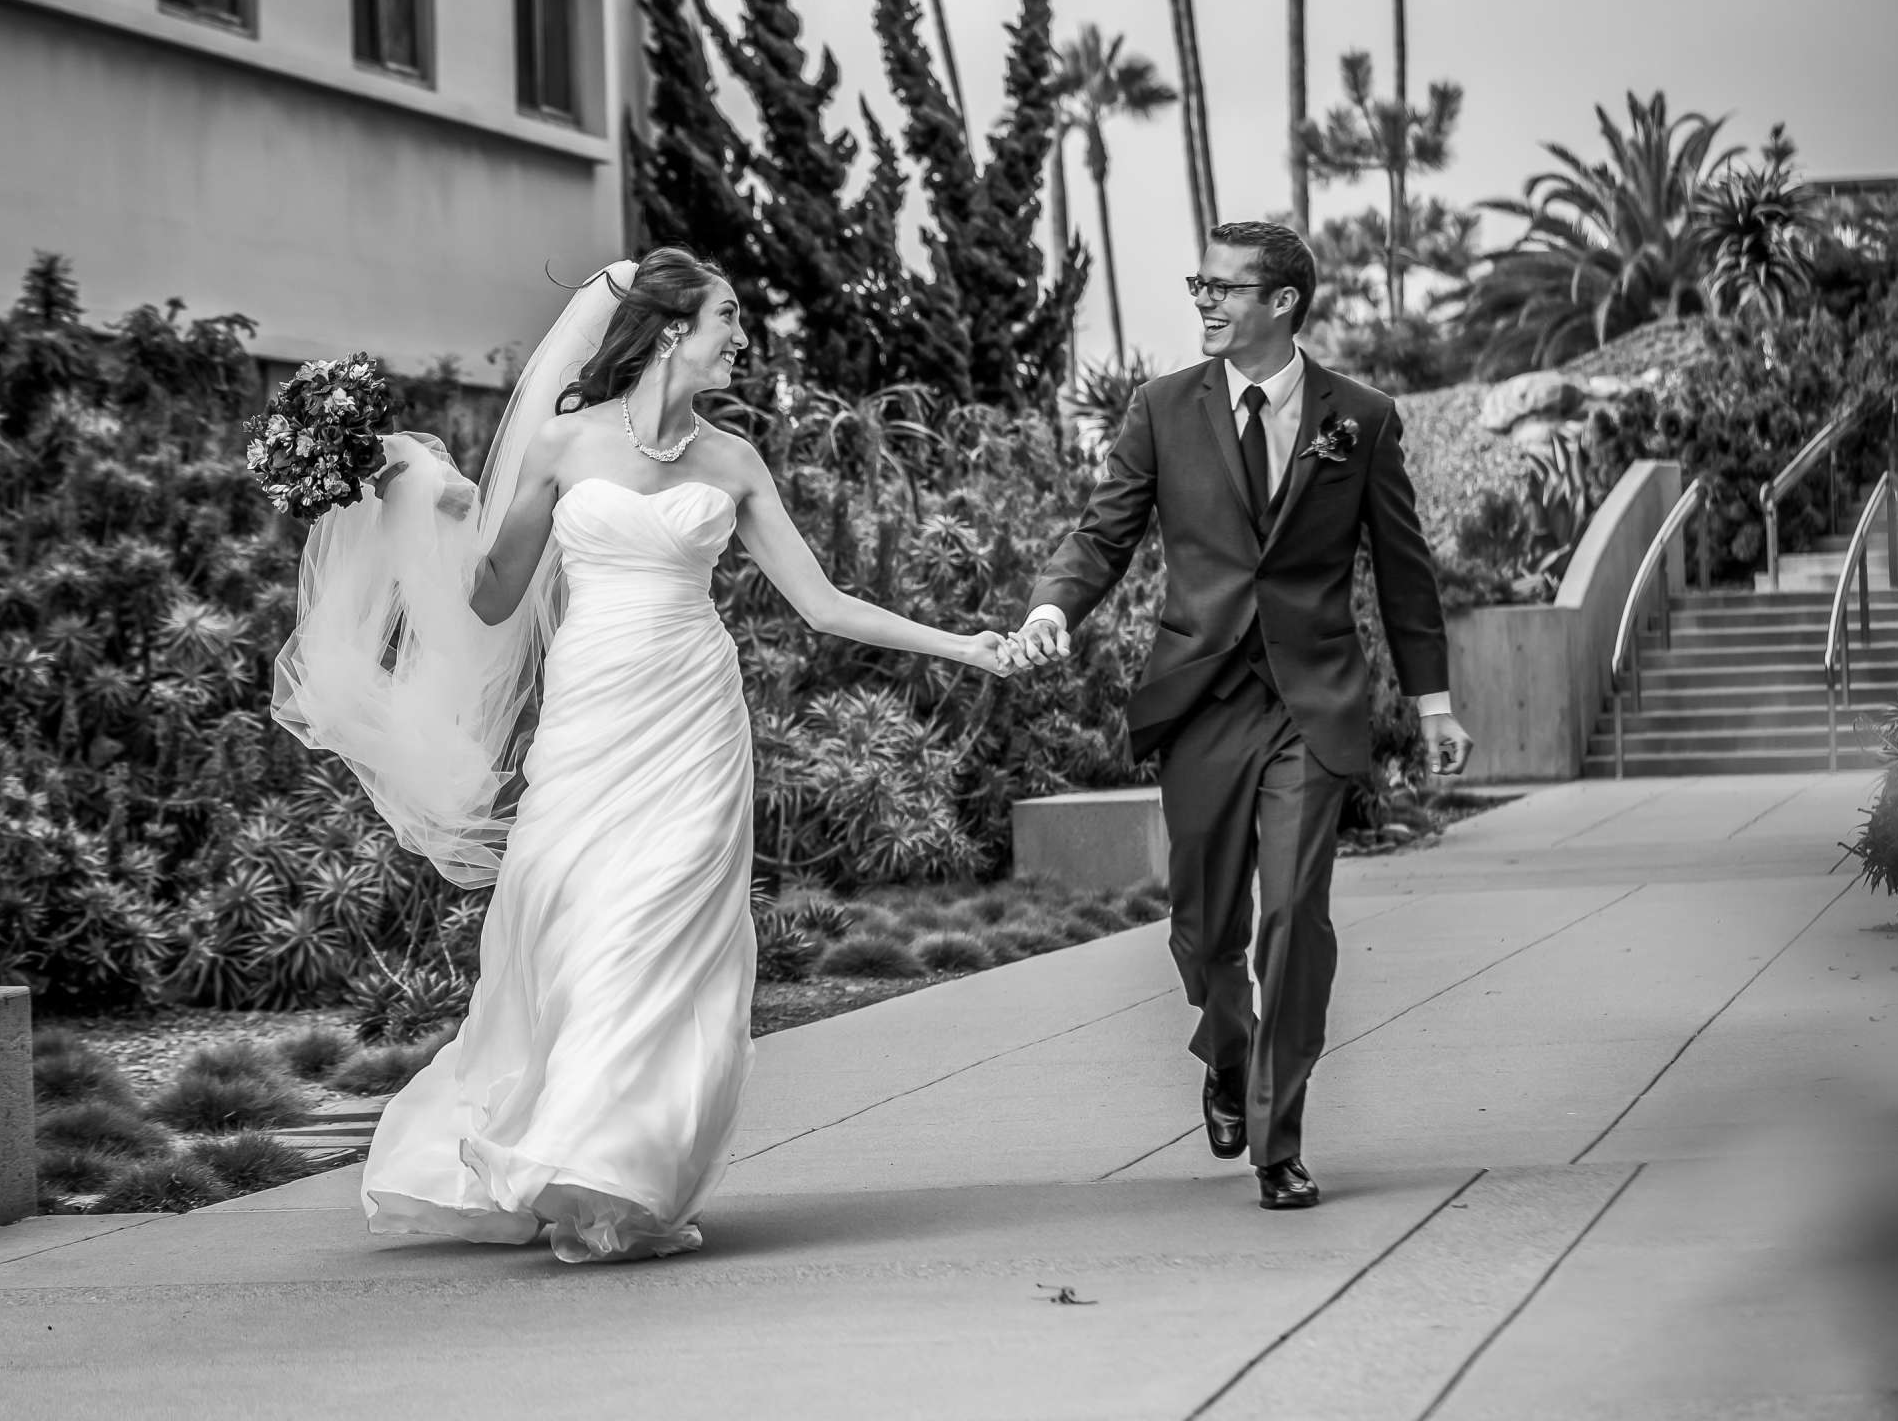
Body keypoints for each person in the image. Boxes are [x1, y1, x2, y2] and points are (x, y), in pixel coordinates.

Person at [272, 248, 1013, 1262]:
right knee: (568, 919)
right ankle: (559, 1145)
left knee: (664, 933)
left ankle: (613, 1173)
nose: (742, 339)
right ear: (670, 329)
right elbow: (492, 598)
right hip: (591, 715)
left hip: (695, 722)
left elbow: (824, 603)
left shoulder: (733, 462)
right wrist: (422, 503)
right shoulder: (563, 444)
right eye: (729, 318)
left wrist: (964, 645)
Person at [1002, 220, 1472, 1211]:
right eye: (1199, 284)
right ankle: (1225, 1051)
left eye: (1225, 287)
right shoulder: (1163, 409)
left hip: (1313, 704)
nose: (1206, 301)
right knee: (1203, 927)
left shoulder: (1362, 417)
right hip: (1201, 697)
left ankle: (1278, 1136)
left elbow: (1404, 569)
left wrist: (1431, 702)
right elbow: (1103, 534)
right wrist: (1052, 607)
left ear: (1284, 301)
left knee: (1297, 916)